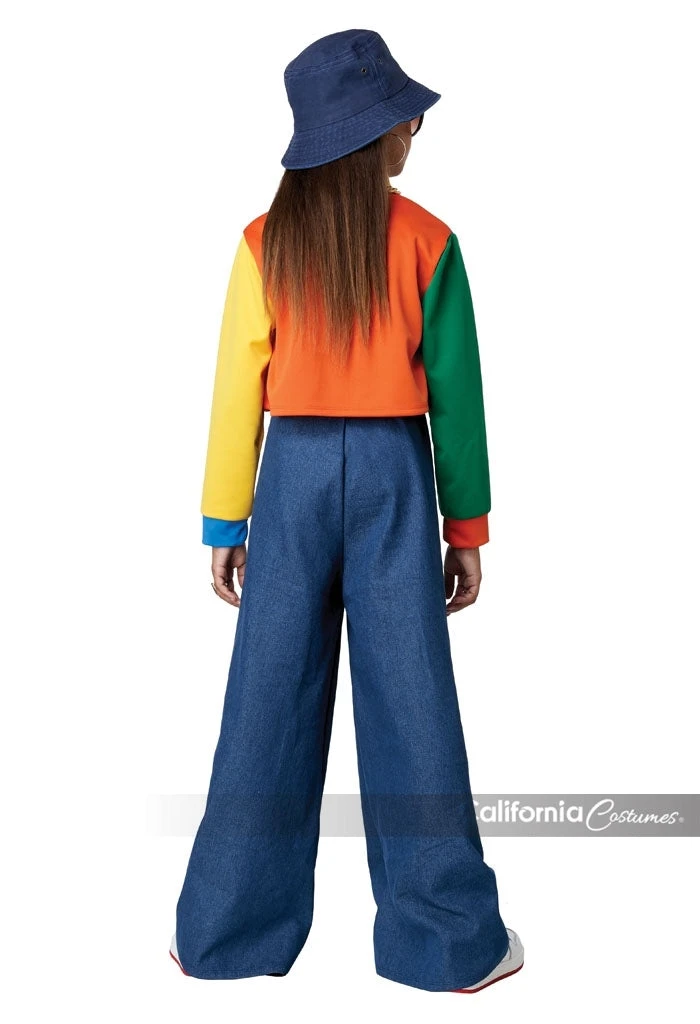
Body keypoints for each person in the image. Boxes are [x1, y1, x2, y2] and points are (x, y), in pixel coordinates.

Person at [170, 28, 524, 994]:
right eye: (404, 117)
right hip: (393, 478)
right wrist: (467, 528)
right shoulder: (430, 241)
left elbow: (236, 389)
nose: (414, 129)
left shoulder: (264, 241)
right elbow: (457, 400)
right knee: (412, 698)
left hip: (288, 479)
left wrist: (224, 521)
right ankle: (445, 941)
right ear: (373, 134)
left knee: (266, 696)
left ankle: (223, 932)